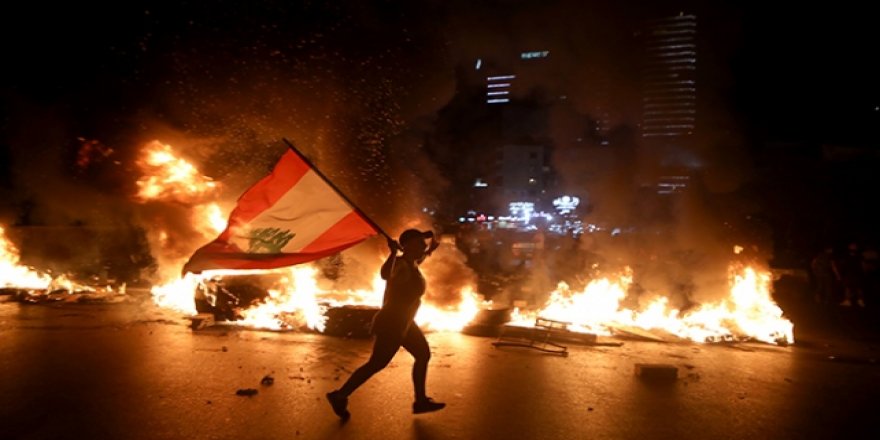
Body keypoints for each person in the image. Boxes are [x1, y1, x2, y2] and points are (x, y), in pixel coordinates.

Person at [326, 229, 445, 420]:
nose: (423, 247)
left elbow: (418, 258)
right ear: (406, 245)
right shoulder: (400, 265)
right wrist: (392, 253)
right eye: (419, 243)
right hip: (392, 322)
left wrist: (431, 250)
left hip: (405, 322)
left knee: (423, 354)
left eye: (424, 245)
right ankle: (339, 395)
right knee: (377, 363)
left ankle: (421, 401)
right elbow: (384, 274)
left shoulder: (412, 263)